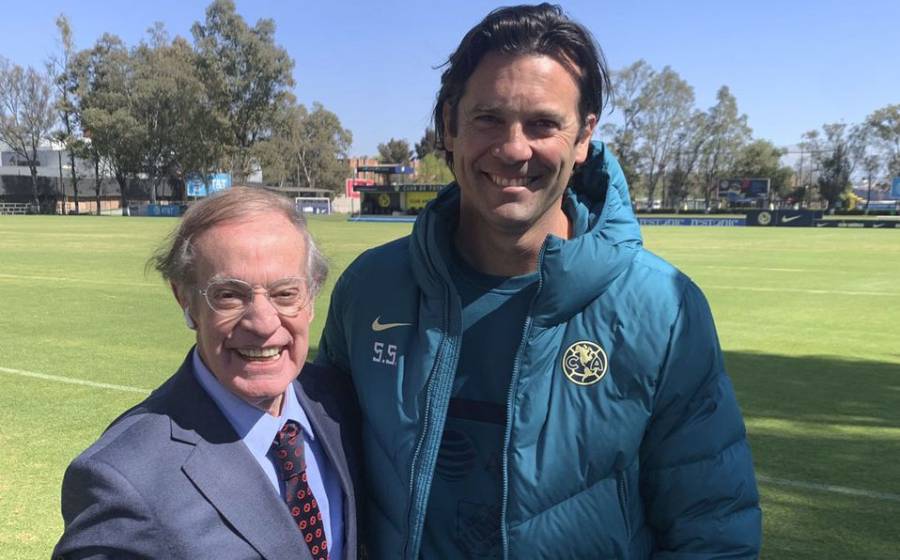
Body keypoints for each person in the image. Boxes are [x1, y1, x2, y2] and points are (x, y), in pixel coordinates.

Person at [317, 4, 761, 559]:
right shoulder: (371, 288)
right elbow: (316, 470)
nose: (513, 148)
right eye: (488, 119)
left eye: (543, 124)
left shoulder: (662, 307)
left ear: (583, 139)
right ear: (449, 128)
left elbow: (713, 530)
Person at [54, 187, 361, 560]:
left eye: (284, 294)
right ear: (185, 298)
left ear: (311, 297)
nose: (263, 323)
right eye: (229, 294)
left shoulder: (341, 404)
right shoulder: (122, 477)